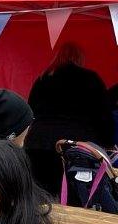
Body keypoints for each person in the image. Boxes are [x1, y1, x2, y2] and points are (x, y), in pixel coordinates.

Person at [25, 44, 114, 197]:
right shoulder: (90, 78)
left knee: (42, 194)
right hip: (78, 144)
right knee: (76, 195)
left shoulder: (43, 78)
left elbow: (30, 110)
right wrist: (107, 142)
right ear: (79, 59)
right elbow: (103, 114)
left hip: (40, 142)